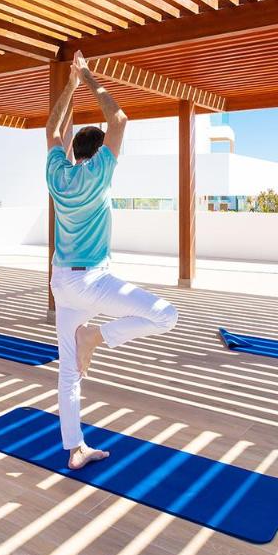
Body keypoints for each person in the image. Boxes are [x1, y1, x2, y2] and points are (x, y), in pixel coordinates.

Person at [45, 52, 178, 470]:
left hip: (62, 283)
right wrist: (87, 75)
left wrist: (69, 85)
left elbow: (52, 129)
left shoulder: (57, 175)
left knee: (69, 374)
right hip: (91, 281)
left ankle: (75, 448)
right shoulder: (100, 172)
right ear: (99, 152)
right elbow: (118, 120)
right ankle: (96, 338)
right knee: (166, 315)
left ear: (71, 150)